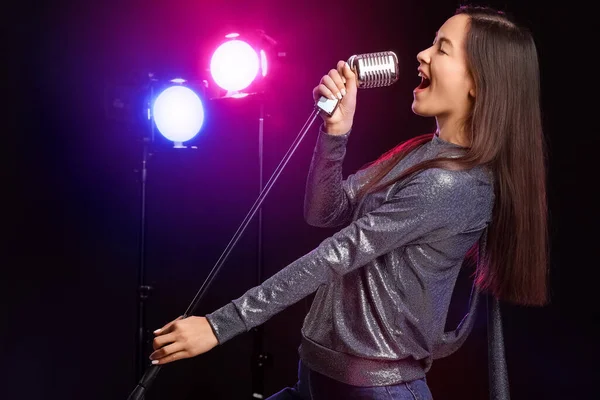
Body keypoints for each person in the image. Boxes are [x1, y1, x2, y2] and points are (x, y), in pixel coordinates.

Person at [147, 4, 549, 399]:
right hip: (317, 380)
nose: (422, 55)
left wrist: (220, 325)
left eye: (442, 49)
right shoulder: (418, 154)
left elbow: (336, 253)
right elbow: (325, 212)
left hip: (376, 391)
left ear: (479, 81)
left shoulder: (452, 184)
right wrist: (335, 133)